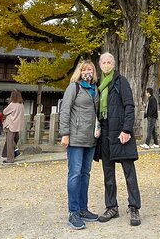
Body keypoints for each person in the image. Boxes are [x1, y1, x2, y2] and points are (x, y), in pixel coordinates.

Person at [96, 52, 141, 227]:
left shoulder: (120, 81)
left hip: (120, 132)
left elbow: (129, 105)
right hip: (105, 133)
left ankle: (134, 207)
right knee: (108, 173)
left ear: (114, 65)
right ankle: (111, 206)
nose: (106, 64)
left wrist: (127, 129)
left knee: (129, 172)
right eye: (104, 62)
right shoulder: (99, 85)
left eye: (109, 62)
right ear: (100, 65)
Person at [60, 60, 100, 230]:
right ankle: (73, 211)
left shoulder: (95, 89)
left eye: (90, 69)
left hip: (90, 138)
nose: (87, 72)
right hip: (75, 137)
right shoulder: (74, 87)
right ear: (79, 72)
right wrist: (65, 134)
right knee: (75, 173)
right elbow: (65, 110)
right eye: (84, 70)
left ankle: (83, 208)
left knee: (85, 173)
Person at [1, 90, 24, 164]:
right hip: (17, 125)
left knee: (10, 141)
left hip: (11, 125)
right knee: (14, 139)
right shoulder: (21, 104)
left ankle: (10, 158)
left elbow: (4, 112)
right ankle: (4, 154)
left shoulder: (13, 104)